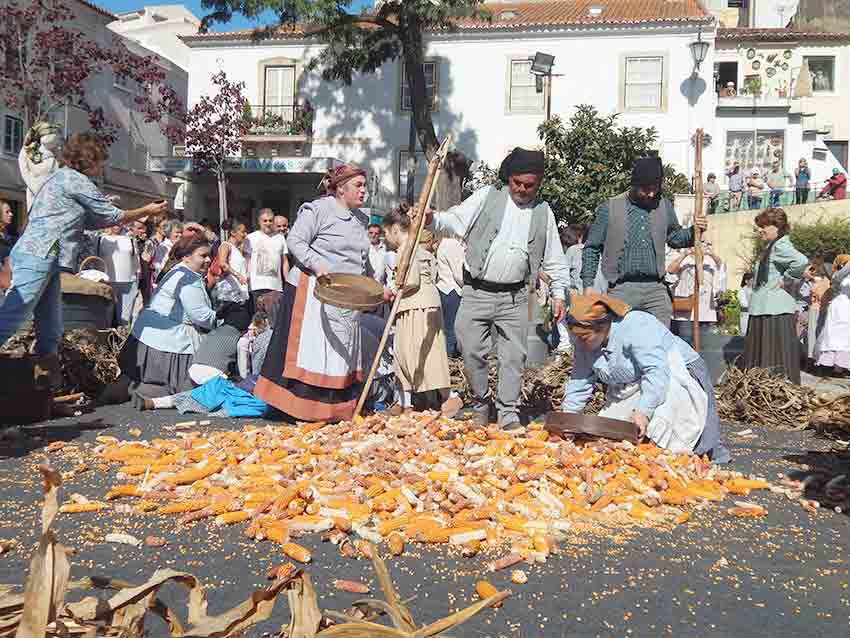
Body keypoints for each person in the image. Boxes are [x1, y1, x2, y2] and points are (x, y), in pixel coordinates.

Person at [0, 133, 167, 381]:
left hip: (48, 258)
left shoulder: (59, 178)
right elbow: (111, 216)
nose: (103, 166)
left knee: (50, 328)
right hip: (41, 254)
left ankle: (46, 387)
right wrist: (146, 210)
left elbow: (93, 219)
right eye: (101, 160)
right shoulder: (75, 180)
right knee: (15, 314)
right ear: (89, 159)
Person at [426, 147, 569, 428]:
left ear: (538, 184)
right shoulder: (487, 197)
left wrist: (559, 294)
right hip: (477, 291)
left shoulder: (543, 212)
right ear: (509, 178)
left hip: (516, 296)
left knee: (513, 357)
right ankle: (480, 403)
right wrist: (432, 219)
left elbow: (554, 257)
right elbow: (455, 220)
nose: (522, 189)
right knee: (470, 350)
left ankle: (508, 414)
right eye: (517, 183)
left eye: (530, 186)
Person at [254, 164, 383, 422]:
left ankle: (334, 410)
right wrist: (317, 264)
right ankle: (299, 409)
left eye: (364, 185)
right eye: (358, 185)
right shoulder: (318, 209)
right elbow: (296, 241)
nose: (363, 191)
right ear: (340, 188)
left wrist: (377, 288)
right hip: (313, 292)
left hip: (347, 296)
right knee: (315, 354)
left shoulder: (361, 220)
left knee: (339, 357)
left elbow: (362, 262)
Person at [560, 292, 729, 462]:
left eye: (584, 337)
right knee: (613, 433)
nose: (579, 343)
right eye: (576, 337)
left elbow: (656, 372)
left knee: (672, 424)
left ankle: (698, 452)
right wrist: (568, 419)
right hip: (636, 381)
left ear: (602, 327)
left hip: (674, 372)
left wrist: (643, 412)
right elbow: (579, 380)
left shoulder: (636, 326)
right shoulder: (583, 343)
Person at [581, 156, 706, 329]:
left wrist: (694, 231)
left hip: (656, 291)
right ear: (634, 184)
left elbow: (675, 238)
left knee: (659, 346)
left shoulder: (664, 205)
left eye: (654, 189)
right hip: (621, 289)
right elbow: (591, 248)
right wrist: (588, 284)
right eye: (646, 189)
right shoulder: (609, 208)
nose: (651, 194)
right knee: (621, 345)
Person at [119, 236, 217, 405]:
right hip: (168, 343)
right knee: (187, 390)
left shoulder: (177, 271)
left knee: (151, 381)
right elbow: (200, 316)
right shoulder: (188, 279)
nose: (208, 260)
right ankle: (139, 392)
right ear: (186, 257)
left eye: (209, 255)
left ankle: (129, 389)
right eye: (203, 256)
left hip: (145, 339)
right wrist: (222, 319)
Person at [382, 208, 461, 416]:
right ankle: (406, 401)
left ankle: (448, 397)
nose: (386, 238)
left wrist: (394, 288)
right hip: (419, 304)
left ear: (395, 229)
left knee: (418, 352)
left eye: (386, 233)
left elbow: (411, 280)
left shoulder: (406, 248)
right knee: (412, 352)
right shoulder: (415, 247)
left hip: (417, 306)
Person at [742, 208, 809, 383]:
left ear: (777, 227)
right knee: (767, 360)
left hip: (774, 311)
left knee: (773, 361)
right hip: (765, 309)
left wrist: (787, 280)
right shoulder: (771, 246)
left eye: (764, 226)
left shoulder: (780, 245)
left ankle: (775, 399)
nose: (760, 230)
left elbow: (800, 261)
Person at [666, 241, 726, 334]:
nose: (702, 245)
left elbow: (721, 265)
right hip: (686, 309)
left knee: (704, 342)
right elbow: (670, 270)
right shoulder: (686, 260)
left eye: (705, 243)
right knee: (685, 340)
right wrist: (685, 254)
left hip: (705, 310)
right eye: (700, 242)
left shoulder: (709, 261)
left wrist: (711, 253)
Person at [96, 226, 140, 326]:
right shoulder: (100, 239)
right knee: (106, 319)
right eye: (114, 222)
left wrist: (136, 282)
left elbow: (136, 263)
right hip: (107, 283)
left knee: (124, 320)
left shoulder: (130, 239)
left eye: (119, 222)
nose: (117, 225)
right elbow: (96, 260)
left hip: (128, 283)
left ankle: (122, 340)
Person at [245, 208, 289, 308]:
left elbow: (285, 262)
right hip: (256, 285)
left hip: (275, 286)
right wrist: (245, 277)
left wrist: (287, 280)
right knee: (258, 318)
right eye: (265, 221)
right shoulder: (251, 238)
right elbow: (247, 259)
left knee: (273, 318)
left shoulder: (280, 238)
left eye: (270, 220)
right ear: (259, 222)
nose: (268, 223)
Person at [813, 255, 850, 375]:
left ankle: (840, 368)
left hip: (848, 312)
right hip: (838, 311)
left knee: (845, 340)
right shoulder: (836, 276)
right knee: (833, 338)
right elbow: (840, 276)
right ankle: (827, 367)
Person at [435, 235, 464, 358]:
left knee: (448, 329)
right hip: (453, 291)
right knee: (452, 330)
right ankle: (451, 359)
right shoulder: (452, 244)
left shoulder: (445, 243)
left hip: (445, 289)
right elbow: (459, 275)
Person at [213, 219, 250, 305]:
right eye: (243, 232)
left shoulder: (238, 249)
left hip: (239, 293)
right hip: (229, 294)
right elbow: (223, 264)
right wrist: (238, 276)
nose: (245, 235)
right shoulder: (225, 245)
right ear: (233, 232)